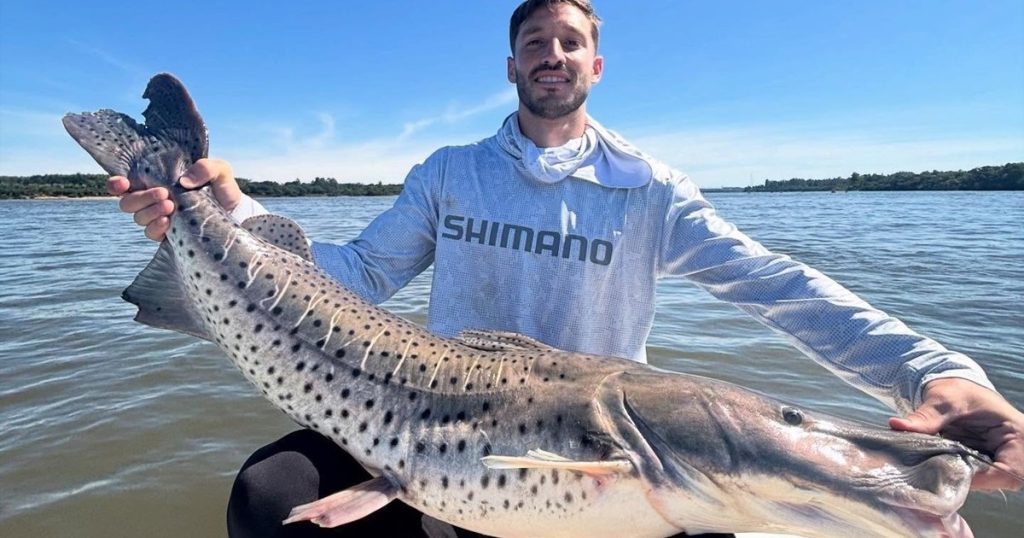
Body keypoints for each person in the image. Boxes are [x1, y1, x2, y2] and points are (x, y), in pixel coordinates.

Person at [108, 1, 1024, 536]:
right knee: (267, 499)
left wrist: (935, 373)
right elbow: (353, 276)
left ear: (597, 62)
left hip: (598, 437)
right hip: (421, 412)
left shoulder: (650, 189)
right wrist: (223, 214)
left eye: (569, 40)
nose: (553, 55)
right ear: (511, 63)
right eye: (536, 42)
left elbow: (779, 284)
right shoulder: (449, 173)